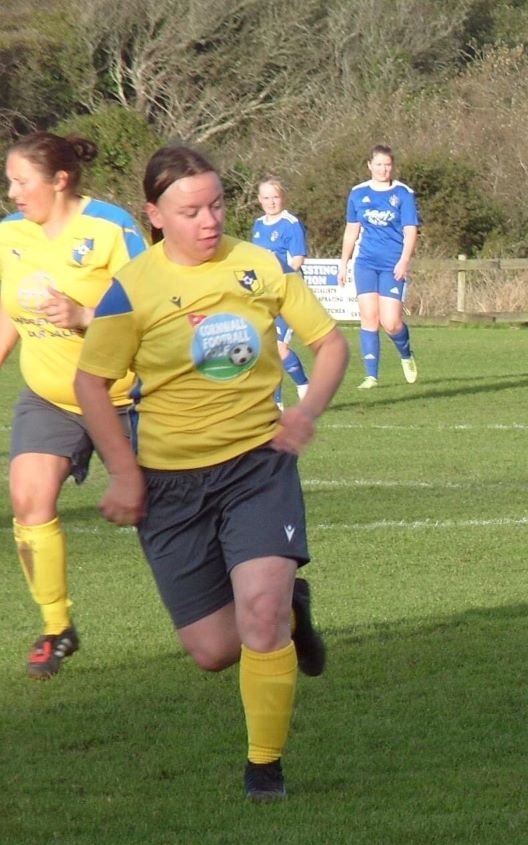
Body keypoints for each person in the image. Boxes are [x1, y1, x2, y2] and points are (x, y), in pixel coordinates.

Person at [74, 145, 349, 802]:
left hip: (258, 465)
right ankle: (294, 612)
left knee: (259, 613)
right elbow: (91, 383)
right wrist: (123, 474)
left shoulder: (259, 266)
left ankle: (264, 770)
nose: (209, 220)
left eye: (218, 203)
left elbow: (330, 343)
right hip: (169, 483)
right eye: (190, 209)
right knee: (214, 649)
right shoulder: (131, 289)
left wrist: (306, 410)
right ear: (155, 215)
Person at [0, 131, 147, 679]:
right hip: (48, 398)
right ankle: (56, 628)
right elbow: (9, 312)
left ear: (59, 180)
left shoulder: (111, 228)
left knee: (174, 521)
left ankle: (272, 603)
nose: (13, 192)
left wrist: (86, 314)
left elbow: (150, 305)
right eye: (9, 181)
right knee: (28, 500)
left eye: (21, 181)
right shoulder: (9, 235)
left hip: (124, 400)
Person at [336, 144, 420, 389]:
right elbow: (352, 230)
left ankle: (406, 354)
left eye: (388, 164)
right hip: (366, 263)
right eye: (379, 164)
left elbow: (410, 230)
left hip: (392, 263)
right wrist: (343, 263)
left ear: (392, 166)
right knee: (368, 317)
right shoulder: (358, 193)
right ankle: (371, 376)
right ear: (369, 165)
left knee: (391, 322)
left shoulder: (403, 194)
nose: (383, 169)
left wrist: (404, 260)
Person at [252, 177, 311, 409]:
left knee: (279, 347)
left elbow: (297, 259)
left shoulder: (291, 223)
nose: (271, 202)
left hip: (287, 291)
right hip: (263, 294)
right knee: (267, 347)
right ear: (259, 200)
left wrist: (278, 277)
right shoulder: (258, 225)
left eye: (275, 197)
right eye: (266, 198)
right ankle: (276, 402)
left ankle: (303, 384)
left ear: (282, 197)